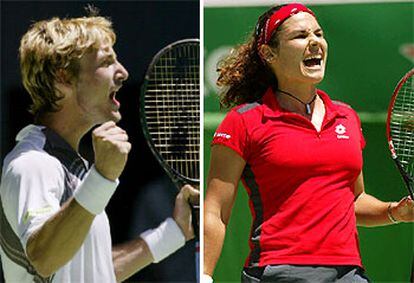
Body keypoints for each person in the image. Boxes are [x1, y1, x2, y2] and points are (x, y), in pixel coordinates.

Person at [203, 3, 414, 283]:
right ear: (269, 53)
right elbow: (215, 212)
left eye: (319, 34)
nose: (315, 42)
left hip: (349, 273)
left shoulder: (346, 117)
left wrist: (394, 212)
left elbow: (352, 200)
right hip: (279, 271)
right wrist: (203, 276)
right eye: (300, 36)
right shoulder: (243, 121)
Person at [0, 12, 199, 283]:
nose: (123, 72)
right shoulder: (32, 163)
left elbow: (94, 272)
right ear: (64, 79)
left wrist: (174, 231)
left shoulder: (69, 167)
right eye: (107, 62)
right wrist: (102, 177)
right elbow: (44, 258)